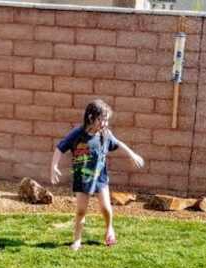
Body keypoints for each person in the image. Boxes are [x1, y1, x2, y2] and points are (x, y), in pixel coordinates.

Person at [50, 99, 144, 251]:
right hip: (82, 178)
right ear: (90, 118)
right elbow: (60, 148)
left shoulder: (105, 134)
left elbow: (119, 143)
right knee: (81, 211)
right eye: (102, 119)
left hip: (100, 178)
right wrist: (54, 167)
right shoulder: (77, 134)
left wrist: (132, 154)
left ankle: (109, 229)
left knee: (106, 209)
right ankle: (77, 240)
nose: (105, 123)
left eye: (107, 119)